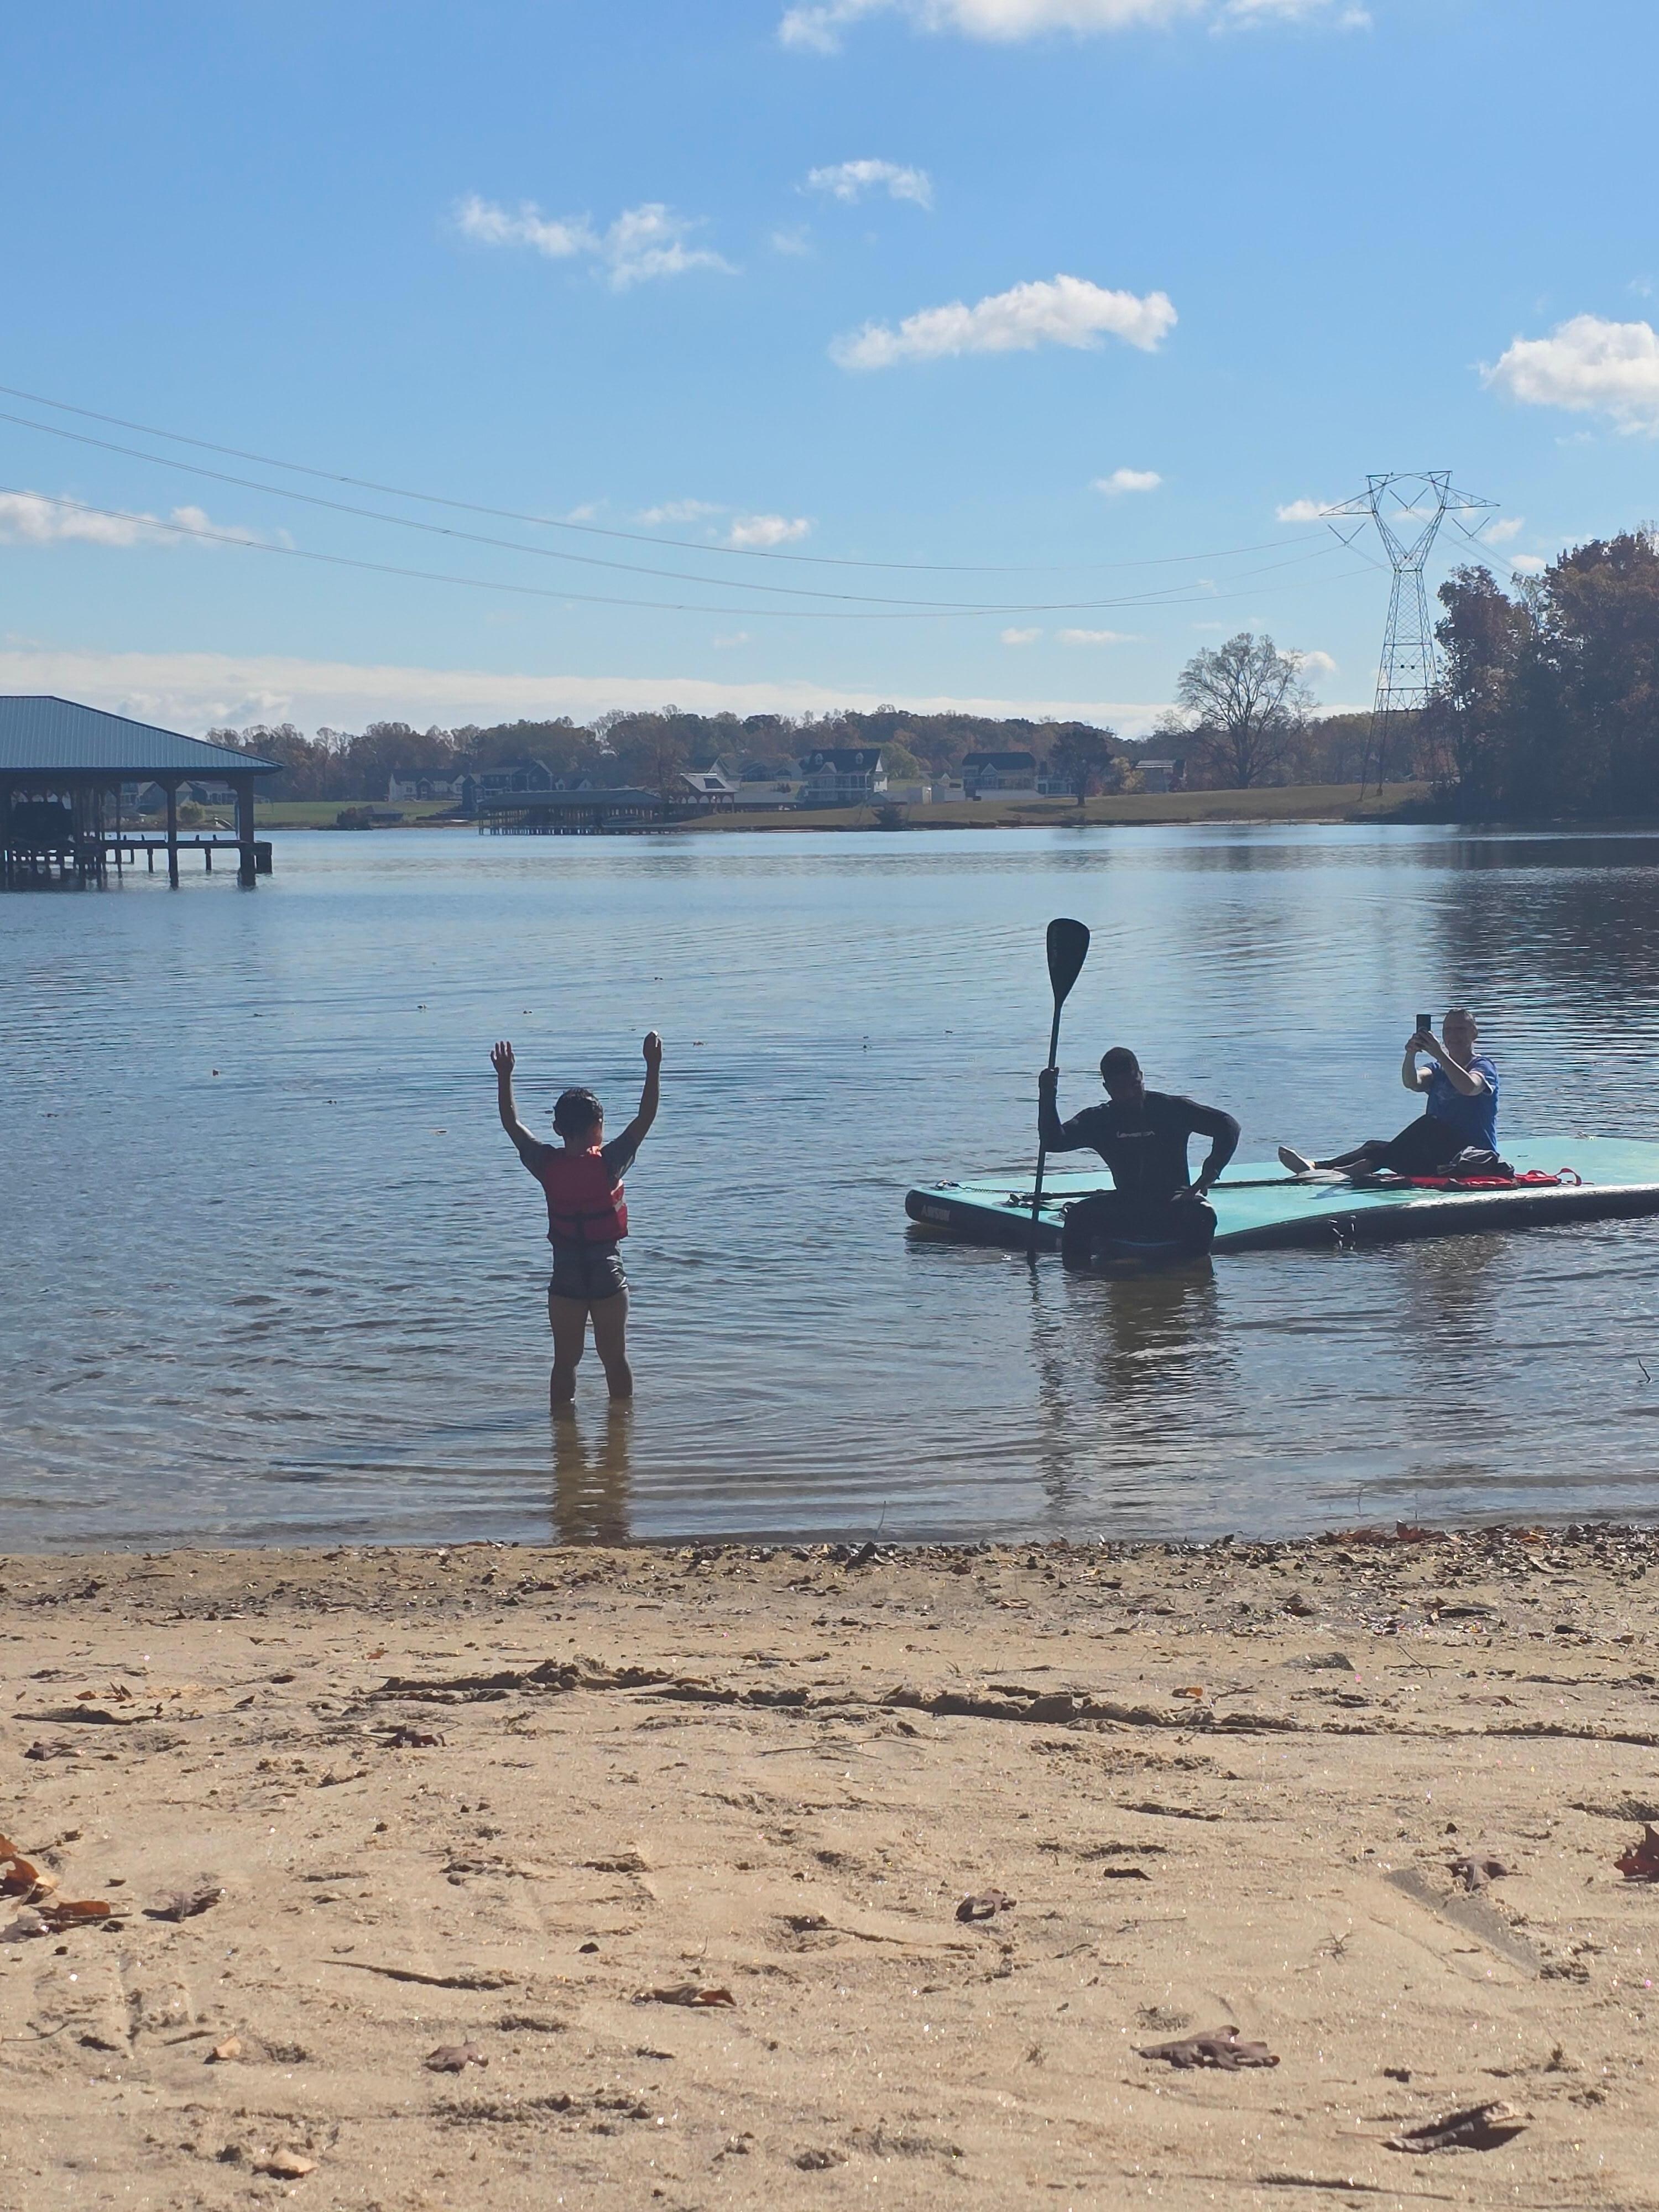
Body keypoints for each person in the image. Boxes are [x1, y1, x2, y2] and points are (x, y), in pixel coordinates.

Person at [491, 1032, 662, 1406]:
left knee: (565, 1364)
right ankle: (621, 1438)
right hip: (607, 1273)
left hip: (566, 1275)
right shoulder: (610, 1163)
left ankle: (561, 1439)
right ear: (599, 1126)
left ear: (557, 1129)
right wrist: (653, 1066)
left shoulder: (546, 1165)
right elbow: (645, 1117)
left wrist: (505, 1076)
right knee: (614, 1359)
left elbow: (512, 1124)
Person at [1038, 1047, 1240, 1264]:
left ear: (1142, 1077)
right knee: (1078, 1217)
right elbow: (1054, 1142)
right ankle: (1082, 1283)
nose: (1129, 1094)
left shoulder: (1169, 1109)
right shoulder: (1100, 1120)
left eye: (1134, 1085)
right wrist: (1048, 1097)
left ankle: (1193, 1278)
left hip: (1174, 1203)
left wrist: (1213, 1168)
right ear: (1107, 1089)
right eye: (1119, 1088)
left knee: (1204, 1215)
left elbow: (1227, 1125)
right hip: (1128, 1205)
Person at [1277, 1008, 1498, 1180]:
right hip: (1438, 1155)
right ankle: (1317, 1167)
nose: (1454, 1036)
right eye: (1448, 1030)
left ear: (1474, 1033)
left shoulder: (1483, 1066)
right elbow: (1412, 1082)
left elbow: (1470, 1087)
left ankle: (1360, 1168)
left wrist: (1440, 1054)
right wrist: (1411, 1055)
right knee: (1375, 1146)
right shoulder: (1438, 1068)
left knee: (1431, 1124)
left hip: (1473, 1156)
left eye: (1460, 1029)